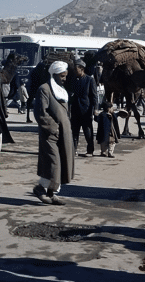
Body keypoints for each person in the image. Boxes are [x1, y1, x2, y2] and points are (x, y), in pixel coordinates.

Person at [33, 61, 74, 205]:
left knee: (62, 162)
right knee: (53, 163)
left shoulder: (62, 90)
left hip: (64, 133)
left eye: (65, 76)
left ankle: (52, 192)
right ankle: (40, 188)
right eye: (62, 76)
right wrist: (53, 128)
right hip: (51, 134)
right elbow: (40, 113)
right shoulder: (44, 89)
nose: (64, 79)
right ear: (55, 75)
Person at [69, 59, 98, 157]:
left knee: (88, 132)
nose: (74, 71)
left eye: (76, 69)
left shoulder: (90, 80)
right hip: (75, 110)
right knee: (74, 132)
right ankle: (73, 150)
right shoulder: (73, 80)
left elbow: (94, 96)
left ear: (82, 69)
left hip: (86, 110)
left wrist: (96, 109)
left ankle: (90, 151)